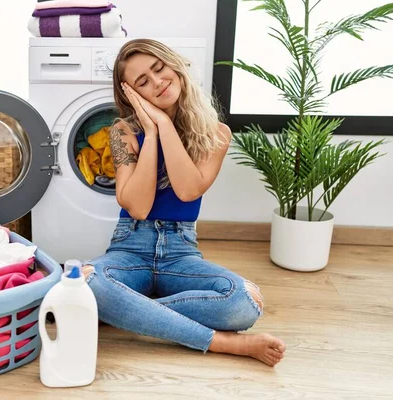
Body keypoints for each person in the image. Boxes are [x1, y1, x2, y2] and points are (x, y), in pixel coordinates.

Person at [81, 39, 286, 367]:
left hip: (181, 253)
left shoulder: (215, 133)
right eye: (142, 82)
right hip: (130, 247)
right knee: (88, 279)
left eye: (159, 69)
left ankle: (123, 311)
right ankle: (220, 343)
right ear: (133, 97)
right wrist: (150, 131)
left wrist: (163, 125)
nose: (157, 82)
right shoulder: (122, 132)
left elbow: (188, 190)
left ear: (175, 66)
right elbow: (138, 207)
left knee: (244, 300)